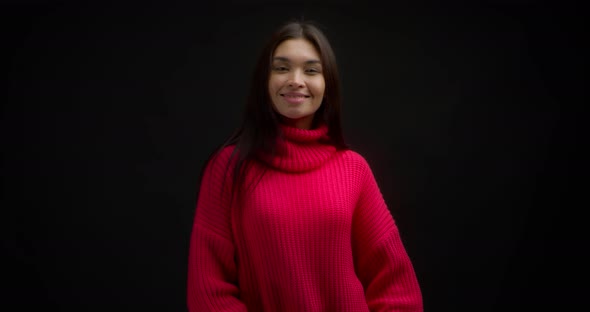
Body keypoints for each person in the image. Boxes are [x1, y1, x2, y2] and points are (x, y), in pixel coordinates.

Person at [187, 19, 423, 311]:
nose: (295, 80)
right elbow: (208, 290)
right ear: (264, 81)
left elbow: (395, 284)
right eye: (282, 68)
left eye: (311, 70)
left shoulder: (353, 169)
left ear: (327, 84)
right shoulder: (228, 168)